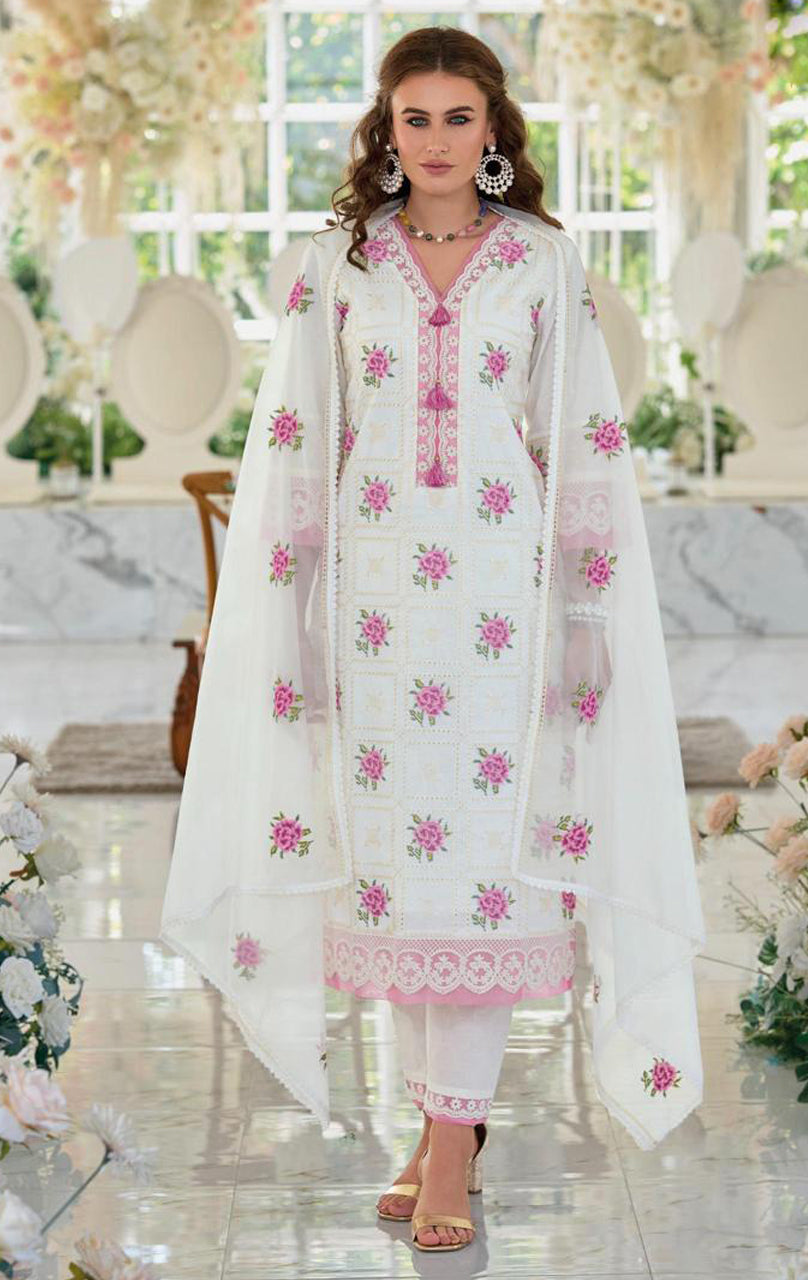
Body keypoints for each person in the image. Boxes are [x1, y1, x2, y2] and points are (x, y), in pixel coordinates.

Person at [159, 25, 706, 1255]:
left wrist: (584, 612)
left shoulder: (544, 264)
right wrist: (296, 613)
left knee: (483, 869)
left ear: (494, 130)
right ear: (386, 129)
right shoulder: (340, 263)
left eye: (461, 118)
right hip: (377, 606)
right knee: (399, 871)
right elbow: (302, 440)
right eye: (417, 118)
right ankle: (438, 1121)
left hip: (504, 601)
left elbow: (583, 445)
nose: (439, 140)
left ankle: (453, 1140)